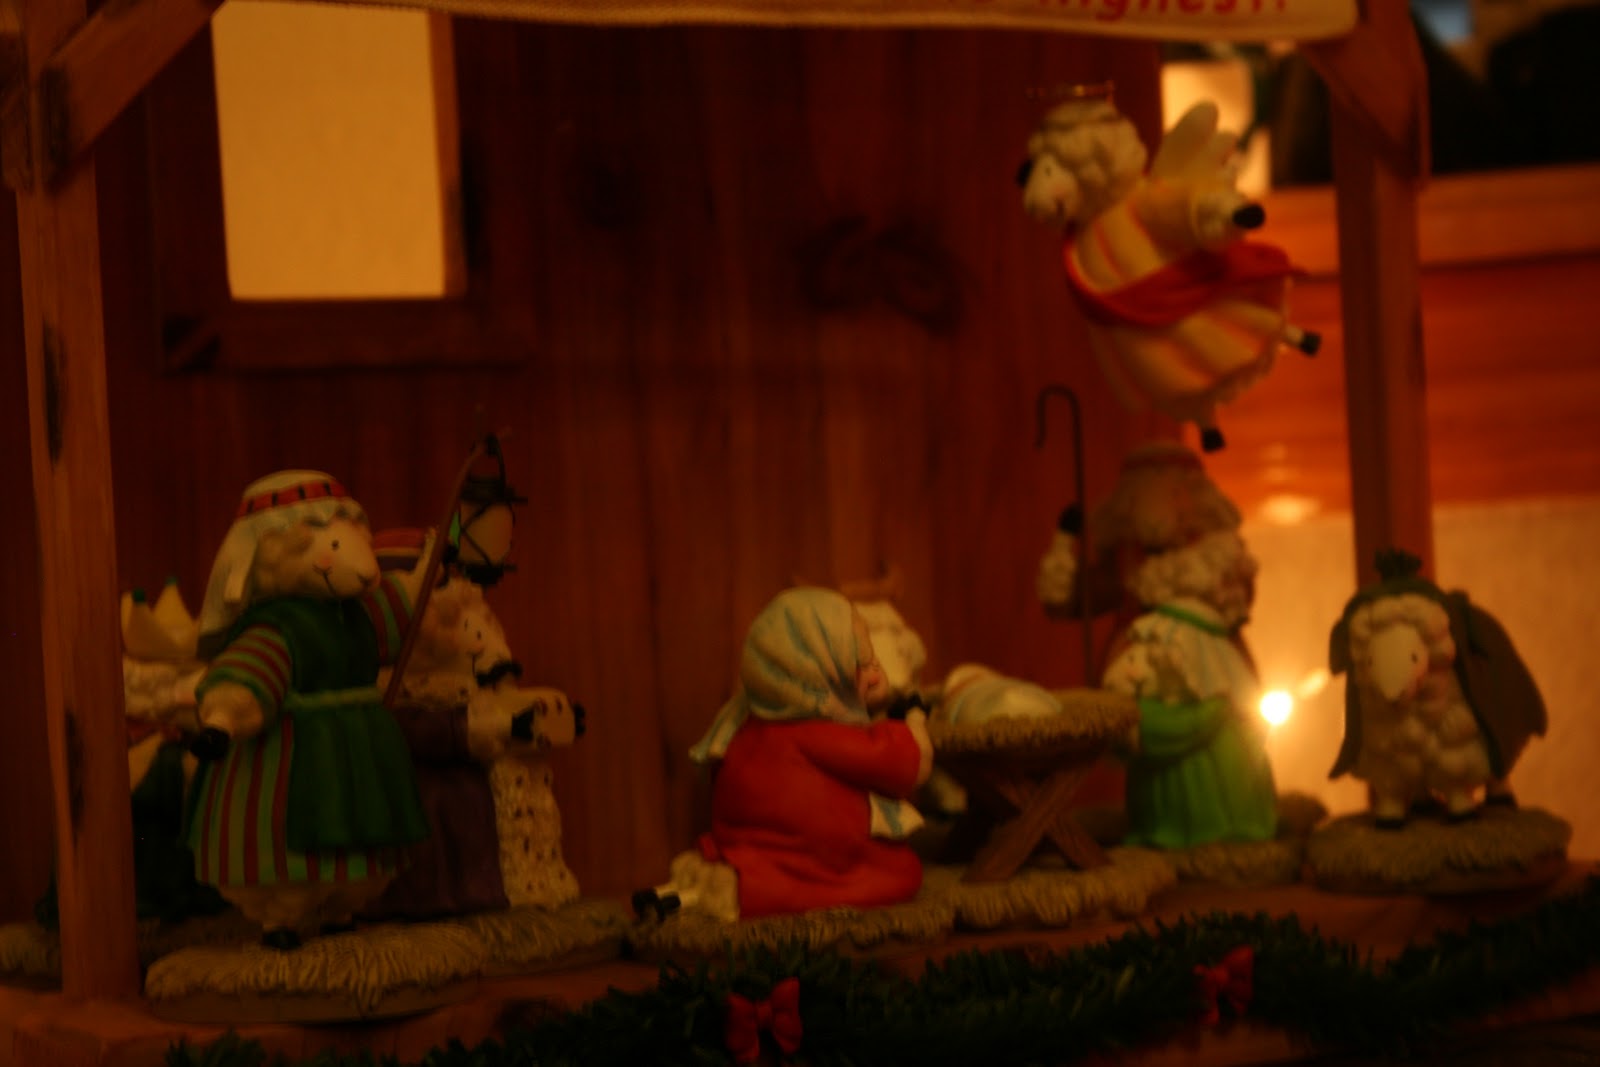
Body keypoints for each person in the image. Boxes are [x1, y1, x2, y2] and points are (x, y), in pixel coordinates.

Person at [634, 587, 933, 921]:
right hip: (809, 864)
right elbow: (908, 764)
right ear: (818, 670)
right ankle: (735, 894)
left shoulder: (745, 725)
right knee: (904, 870)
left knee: (752, 868)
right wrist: (915, 718)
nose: (875, 671)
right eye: (859, 662)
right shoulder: (820, 735)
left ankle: (679, 894)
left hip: (743, 847)